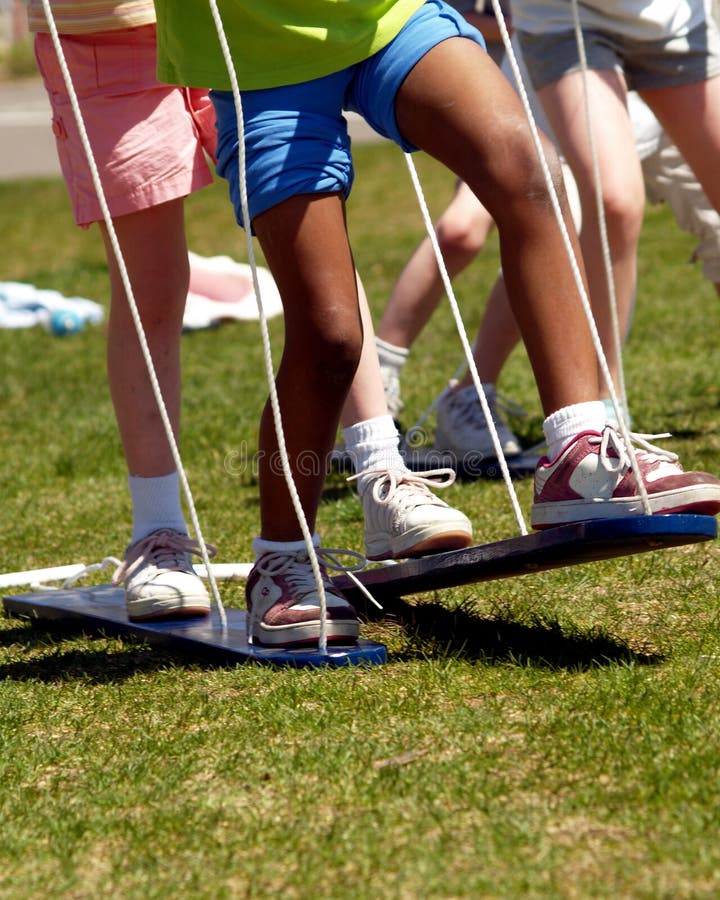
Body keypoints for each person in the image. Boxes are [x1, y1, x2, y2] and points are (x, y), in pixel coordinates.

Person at [153, 0, 720, 650]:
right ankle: (283, 558)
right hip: (258, 60)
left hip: (385, 17)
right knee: (332, 333)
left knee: (531, 171)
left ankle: (577, 451)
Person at [29, 0, 473, 627]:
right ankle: (158, 538)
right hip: (101, 36)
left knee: (316, 250)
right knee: (150, 286)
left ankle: (384, 475)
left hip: (245, 21)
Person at [377, 2, 720, 454]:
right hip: (566, 38)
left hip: (669, 33)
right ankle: (586, 406)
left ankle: (474, 391)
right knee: (594, 210)